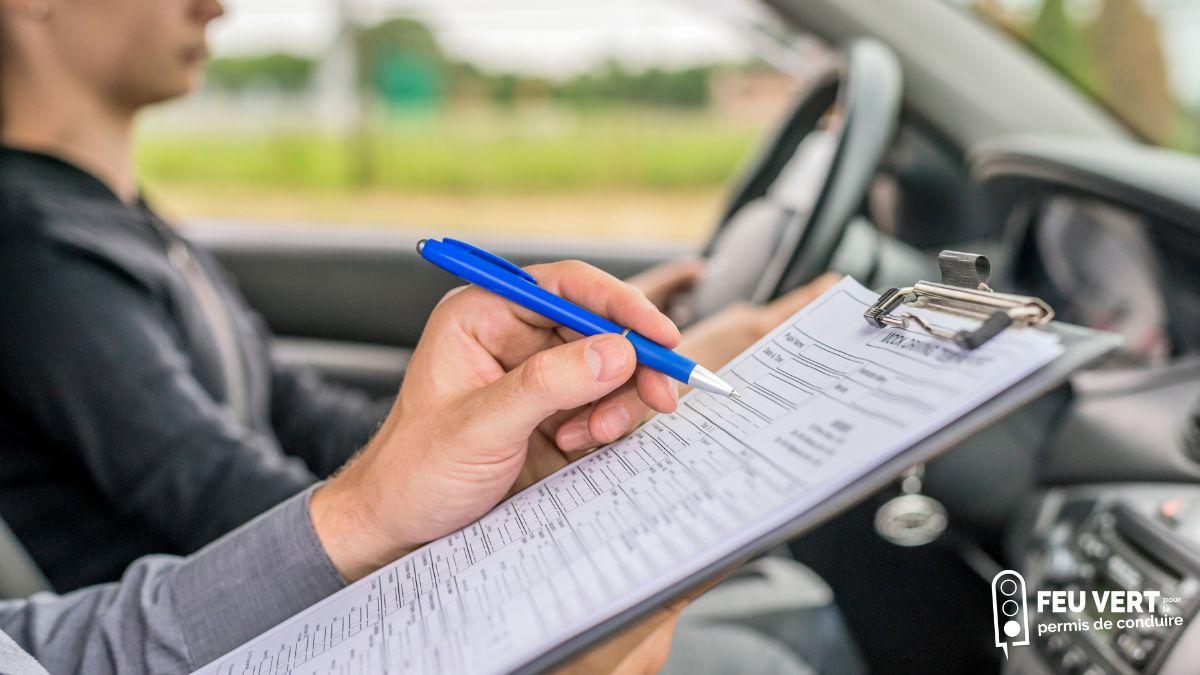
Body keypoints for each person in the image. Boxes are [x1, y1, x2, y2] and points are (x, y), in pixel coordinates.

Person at [0, 0, 838, 594]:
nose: (215, 7)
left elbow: (301, 414)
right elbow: (224, 500)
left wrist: (527, 387)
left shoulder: (115, 218)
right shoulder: (29, 246)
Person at [0, 260, 701, 673]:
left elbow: (60, 654)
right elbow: (210, 485)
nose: (216, 6)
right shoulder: (37, 253)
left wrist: (377, 504)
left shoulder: (137, 226)